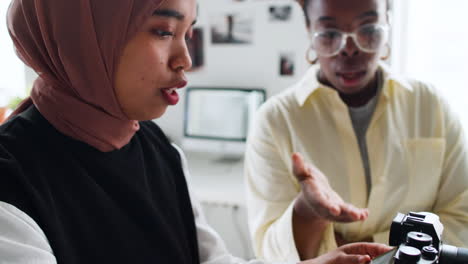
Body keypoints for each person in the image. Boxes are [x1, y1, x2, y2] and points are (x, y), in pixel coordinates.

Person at [0, 0, 391, 263]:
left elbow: (212, 260)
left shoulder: (159, 150)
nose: (185, 59)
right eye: (163, 31)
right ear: (82, 36)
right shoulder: (12, 182)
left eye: (187, 32)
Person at [245, 0, 468, 262]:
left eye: (368, 29)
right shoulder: (274, 121)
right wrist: (306, 213)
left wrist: (370, 251)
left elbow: (462, 215)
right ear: (309, 30)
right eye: (329, 34)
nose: (349, 49)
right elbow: (269, 251)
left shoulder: (429, 105)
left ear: (387, 24)